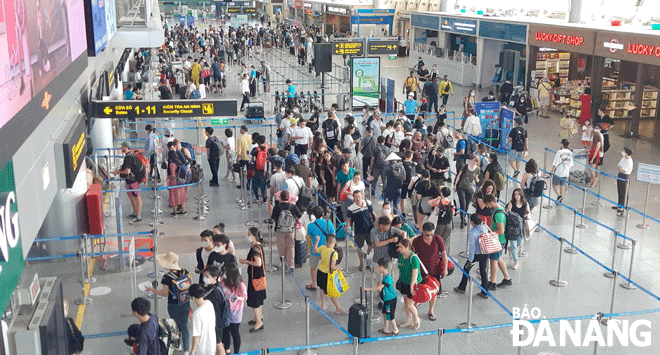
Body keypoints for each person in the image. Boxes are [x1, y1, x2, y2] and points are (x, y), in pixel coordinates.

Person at [145, 252, 191, 353]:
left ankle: (178, 345)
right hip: (186, 303)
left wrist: (152, 290)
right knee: (184, 326)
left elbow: (164, 293)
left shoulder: (167, 277)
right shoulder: (185, 271)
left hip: (173, 305)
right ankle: (187, 350)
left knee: (175, 325)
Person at [412, 222, 448, 321]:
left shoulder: (438, 239)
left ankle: (431, 310)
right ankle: (417, 303)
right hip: (421, 271)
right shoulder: (417, 241)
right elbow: (413, 256)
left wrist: (444, 269)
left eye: (431, 234)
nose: (430, 236)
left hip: (435, 270)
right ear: (422, 232)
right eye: (427, 235)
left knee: (433, 292)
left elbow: (444, 254)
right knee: (419, 289)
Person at [453, 214, 490, 299]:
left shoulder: (472, 232)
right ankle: (485, 291)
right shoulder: (484, 226)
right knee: (483, 270)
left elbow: (472, 247)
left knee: (466, 269)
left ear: (472, 222)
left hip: (477, 254)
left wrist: (470, 260)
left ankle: (462, 287)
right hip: (485, 252)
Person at [238, 227, 267, 332]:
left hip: (255, 277)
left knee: (255, 300)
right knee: (259, 299)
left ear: (254, 236)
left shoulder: (255, 248)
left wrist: (246, 262)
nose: (248, 236)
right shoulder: (257, 246)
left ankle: (259, 322)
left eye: (249, 234)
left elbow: (258, 263)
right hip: (259, 277)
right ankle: (259, 317)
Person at [362, 258, 399, 336]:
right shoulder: (385, 276)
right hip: (386, 299)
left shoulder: (388, 278)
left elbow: (379, 288)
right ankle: (386, 328)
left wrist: (367, 289)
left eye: (378, 266)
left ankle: (395, 330)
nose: (377, 268)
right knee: (385, 313)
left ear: (381, 267)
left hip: (390, 300)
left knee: (390, 316)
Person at [484, 194, 513, 290]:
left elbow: (501, 230)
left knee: (493, 261)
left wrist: (491, 233)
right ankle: (507, 278)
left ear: (492, 202)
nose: (487, 207)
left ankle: (492, 282)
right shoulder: (500, 209)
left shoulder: (498, 214)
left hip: (498, 241)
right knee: (498, 258)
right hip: (499, 240)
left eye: (487, 204)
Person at [313, 233, 346, 313]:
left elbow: (314, 250)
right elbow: (332, 267)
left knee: (321, 289)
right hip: (328, 275)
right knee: (331, 292)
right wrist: (338, 268)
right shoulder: (334, 253)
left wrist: (317, 241)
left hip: (320, 272)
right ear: (335, 242)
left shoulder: (322, 247)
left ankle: (323, 304)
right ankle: (338, 307)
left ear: (326, 242)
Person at [113, 141, 144, 224]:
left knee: (136, 196)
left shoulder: (128, 157)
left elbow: (127, 171)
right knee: (131, 195)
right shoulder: (129, 155)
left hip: (133, 180)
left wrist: (118, 172)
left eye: (122, 146)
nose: (121, 148)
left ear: (126, 147)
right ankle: (135, 212)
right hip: (130, 180)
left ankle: (138, 216)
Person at [346, 191, 376, 271]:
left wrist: (377, 223)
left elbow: (373, 214)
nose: (357, 198)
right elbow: (348, 219)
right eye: (355, 197)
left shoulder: (367, 203)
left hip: (370, 229)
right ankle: (361, 263)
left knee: (371, 245)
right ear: (353, 198)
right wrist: (348, 226)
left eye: (359, 196)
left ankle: (368, 261)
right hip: (359, 231)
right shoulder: (351, 208)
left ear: (361, 196)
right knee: (359, 247)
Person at [201, 265, 229, 355]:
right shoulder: (214, 285)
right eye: (204, 276)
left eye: (207, 277)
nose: (204, 278)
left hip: (215, 322)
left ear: (214, 278)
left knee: (218, 344)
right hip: (214, 320)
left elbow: (216, 310)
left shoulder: (215, 291)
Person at [271, 190, 303, 268]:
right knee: (291, 247)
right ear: (288, 198)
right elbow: (299, 215)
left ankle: (283, 264)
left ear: (280, 197)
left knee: (281, 247)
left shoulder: (277, 207)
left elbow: (273, 218)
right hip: (290, 230)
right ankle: (291, 265)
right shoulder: (293, 206)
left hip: (280, 230)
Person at [220, 263, 247, 355]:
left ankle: (236, 352)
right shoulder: (222, 281)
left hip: (236, 311)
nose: (223, 274)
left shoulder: (240, 285)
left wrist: (237, 298)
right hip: (225, 310)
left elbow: (244, 297)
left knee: (235, 332)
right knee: (225, 330)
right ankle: (227, 348)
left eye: (225, 272)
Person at [396, 238, 422, 330]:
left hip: (413, 283)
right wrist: (399, 279)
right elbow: (400, 268)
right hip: (403, 281)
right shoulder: (401, 255)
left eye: (401, 247)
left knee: (409, 304)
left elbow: (415, 273)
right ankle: (409, 320)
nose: (399, 248)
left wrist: (411, 287)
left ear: (407, 247)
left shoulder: (413, 258)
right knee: (406, 302)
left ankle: (417, 319)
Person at [454, 155, 481, 229]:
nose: (474, 161)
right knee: (463, 203)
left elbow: (476, 178)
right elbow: (459, 175)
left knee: (467, 205)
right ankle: (462, 220)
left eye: (476, 160)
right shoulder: (465, 166)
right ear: (471, 159)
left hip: (469, 188)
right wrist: (455, 185)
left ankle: (463, 217)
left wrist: (477, 180)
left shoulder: (477, 169)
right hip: (461, 187)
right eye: (474, 159)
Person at [188, 284, 216, 355]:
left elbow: (196, 336)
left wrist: (192, 352)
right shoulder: (209, 304)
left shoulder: (196, 315)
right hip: (211, 345)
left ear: (192, 298)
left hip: (201, 349)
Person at [506, 188, 530, 270]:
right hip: (513, 226)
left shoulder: (525, 203)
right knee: (513, 243)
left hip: (521, 225)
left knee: (519, 241)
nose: (516, 196)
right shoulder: (511, 203)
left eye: (518, 194)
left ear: (521, 195)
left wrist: (527, 216)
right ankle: (516, 261)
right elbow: (507, 213)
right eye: (515, 194)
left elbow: (528, 212)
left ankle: (512, 249)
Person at [166, 143, 188, 216]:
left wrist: (169, 177)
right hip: (180, 181)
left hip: (174, 183)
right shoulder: (179, 161)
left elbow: (172, 175)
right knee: (182, 196)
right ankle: (183, 210)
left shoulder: (172, 164)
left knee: (174, 197)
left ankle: (174, 212)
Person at [549, 139, 574, 204]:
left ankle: (559, 196)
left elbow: (555, 162)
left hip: (559, 171)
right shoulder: (570, 153)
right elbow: (571, 164)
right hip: (566, 172)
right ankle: (560, 199)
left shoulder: (559, 152)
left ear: (562, 144)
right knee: (562, 185)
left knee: (554, 185)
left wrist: (552, 171)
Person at [616, 147, 633, 216]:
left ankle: (622, 207)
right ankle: (619, 205)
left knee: (624, 192)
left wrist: (620, 168)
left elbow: (622, 170)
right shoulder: (623, 158)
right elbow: (618, 166)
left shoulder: (629, 161)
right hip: (620, 175)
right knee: (619, 190)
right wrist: (620, 168)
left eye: (624, 151)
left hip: (625, 176)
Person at [250, 135, 268, 202]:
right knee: (263, 183)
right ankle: (264, 197)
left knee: (255, 183)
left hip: (257, 169)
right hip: (264, 170)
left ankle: (256, 197)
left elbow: (252, 159)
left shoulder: (255, 149)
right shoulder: (267, 149)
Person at [588, 124, 604, 188]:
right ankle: (592, 180)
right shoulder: (594, 140)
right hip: (591, 155)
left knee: (593, 169)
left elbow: (596, 151)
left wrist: (593, 158)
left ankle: (594, 180)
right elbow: (592, 148)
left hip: (595, 156)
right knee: (591, 169)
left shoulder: (598, 141)